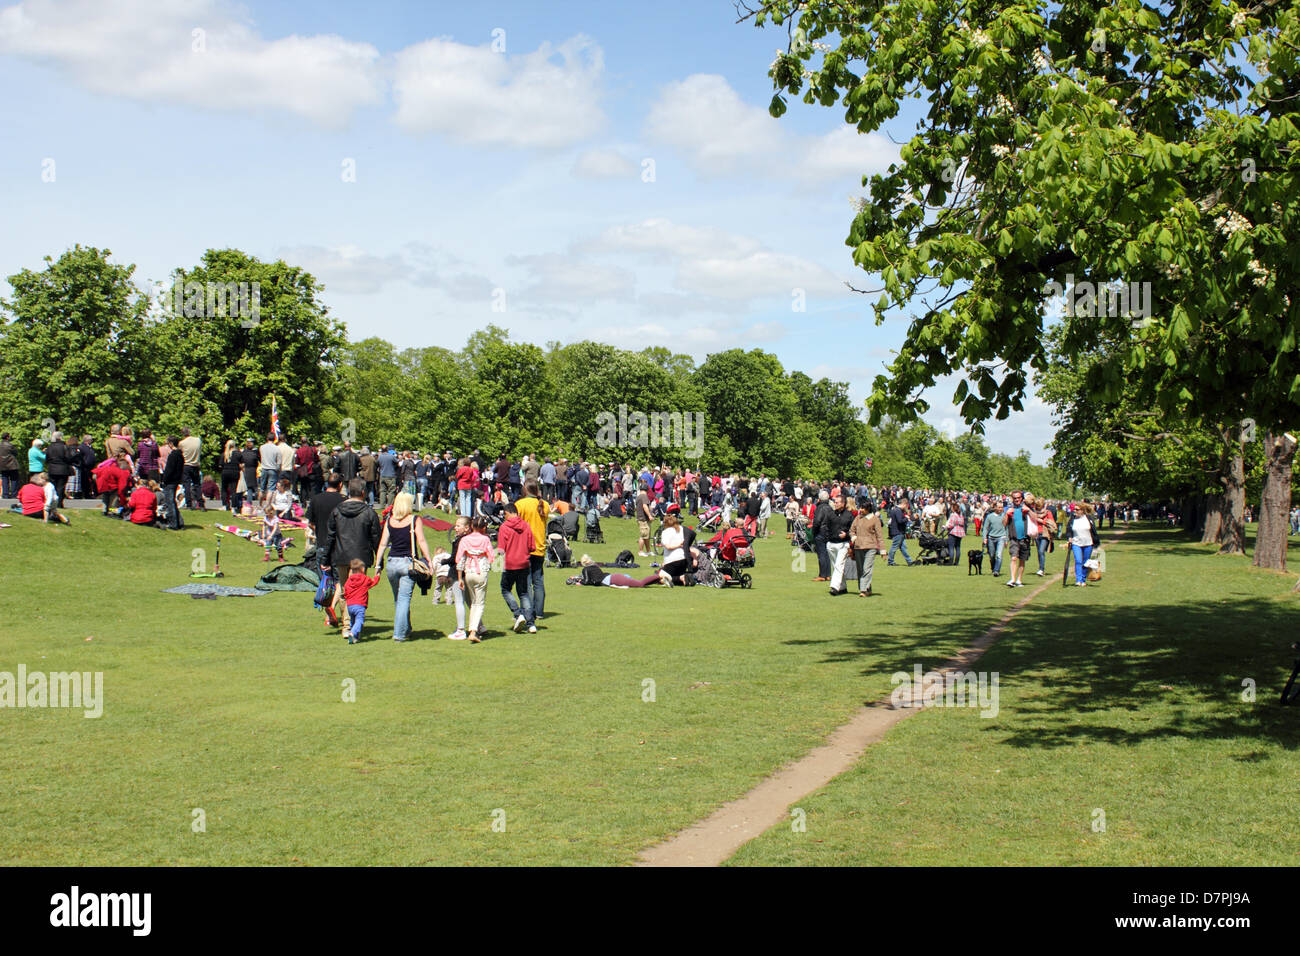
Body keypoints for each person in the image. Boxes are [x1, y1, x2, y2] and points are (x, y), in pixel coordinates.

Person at [375, 492, 434, 642]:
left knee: (398, 599)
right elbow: (421, 541)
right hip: (408, 563)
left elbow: (382, 544)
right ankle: (399, 634)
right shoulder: (414, 520)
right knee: (404, 599)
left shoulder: (390, 520)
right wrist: (429, 560)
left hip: (391, 563)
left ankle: (405, 628)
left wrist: (377, 564)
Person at [320, 478, 382, 581]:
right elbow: (376, 538)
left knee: (345, 590)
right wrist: (379, 561)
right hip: (361, 556)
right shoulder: (369, 513)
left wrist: (325, 559)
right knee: (357, 590)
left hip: (341, 555)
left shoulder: (337, 511)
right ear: (363, 492)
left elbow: (330, 536)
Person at [496, 502, 537, 633]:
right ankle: (531, 624)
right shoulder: (526, 525)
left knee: (505, 589)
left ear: (508, 512)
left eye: (504, 514)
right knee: (524, 593)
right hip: (524, 563)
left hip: (510, 564)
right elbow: (532, 547)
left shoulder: (504, 527)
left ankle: (518, 614)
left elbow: (501, 549)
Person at [456, 515, 496, 644]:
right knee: (479, 604)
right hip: (481, 572)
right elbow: (491, 557)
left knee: (473, 603)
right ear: (484, 527)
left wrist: (459, 578)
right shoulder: (485, 539)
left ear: (472, 526)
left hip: (468, 572)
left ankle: (473, 629)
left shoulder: (465, 540)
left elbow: (460, 559)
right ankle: (473, 631)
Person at [514, 480, 549, 624]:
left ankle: (527, 611)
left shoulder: (520, 504)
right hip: (539, 546)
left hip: (525, 547)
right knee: (538, 580)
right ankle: (539, 611)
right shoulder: (544, 505)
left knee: (525, 582)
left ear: (525, 489)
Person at [340, 558, 381, 644]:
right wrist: (377, 576)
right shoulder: (365, 579)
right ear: (362, 569)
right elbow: (373, 583)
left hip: (350, 605)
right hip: (360, 604)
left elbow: (345, 592)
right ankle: (353, 633)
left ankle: (355, 638)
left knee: (353, 621)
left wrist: (346, 597)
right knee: (359, 621)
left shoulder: (349, 580)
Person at [850, 500, 885, 596]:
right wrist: (853, 537)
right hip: (858, 547)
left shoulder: (875, 519)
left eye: (862, 508)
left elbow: (880, 536)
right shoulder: (858, 518)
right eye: (860, 508)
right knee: (860, 569)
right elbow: (852, 530)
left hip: (871, 547)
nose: (860, 510)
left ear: (868, 509)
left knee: (867, 569)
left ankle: (863, 590)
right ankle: (868, 589)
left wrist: (882, 551)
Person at [824, 493, 855, 595]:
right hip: (831, 544)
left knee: (838, 565)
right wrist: (827, 538)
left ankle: (834, 587)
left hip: (843, 544)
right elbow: (825, 526)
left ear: (843, 503)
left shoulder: (849, 515)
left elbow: (853, 530)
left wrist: (846, 535)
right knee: (836, 566)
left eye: (837, 502)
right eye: (835, 502)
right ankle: (843, 587)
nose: (835, 504)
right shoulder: (831, 514)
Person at [570, 554, 661, 587]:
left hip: (613, 579)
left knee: (640, 584)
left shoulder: (585, 569)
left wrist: (579, 583)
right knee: (639, 584)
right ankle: (659, 580)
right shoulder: (595, 566)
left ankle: (659, 576)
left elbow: (586, 581)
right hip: (614, 577)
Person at [1002, 490, 1032, 588]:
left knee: (1022, 560)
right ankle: (1012, 579)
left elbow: (1035, 518)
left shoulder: (1027, 508)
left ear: (1022, 498)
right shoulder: (1009, 509)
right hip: (1014, 538)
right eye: (1015, 498)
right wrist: (1007, 514)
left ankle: (1019, 579)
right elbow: (1004, 524)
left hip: (1025, 538)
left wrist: (1028, 511)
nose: (1017, 500)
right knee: (1014, 558)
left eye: (1019, 498)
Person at [1069, 502, 1099, 587]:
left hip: (1088, 543)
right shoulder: (1072, 519)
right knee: (1078, 561)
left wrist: (1096, 542)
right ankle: (1078, 580)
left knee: (1085, 562)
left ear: (1082, 510)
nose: (1075, 511)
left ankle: (1083, 579)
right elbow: (1068, 530)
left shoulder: (1088, 518)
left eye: (1077, 509)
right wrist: (1069, 537)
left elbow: (1093, 531)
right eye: (1074, 509)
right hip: (1076, 543)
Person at [159, 435, 184, 530]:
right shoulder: (180, 455)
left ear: (170, 444)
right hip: (176, 480)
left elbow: (169, 470)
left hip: (170, 481)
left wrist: (164, 480)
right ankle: (179, 522)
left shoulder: (173, 455)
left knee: (169, 502)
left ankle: (173, 523)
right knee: (172, 502)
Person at [659, 514, 689, 586]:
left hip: (672, 560)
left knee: (658, 576)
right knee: (675, 579)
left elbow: (668, 547)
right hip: (684, 559)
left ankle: (681, 578)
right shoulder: (681, 529)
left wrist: (678, 545)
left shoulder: (665, 532)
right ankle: (682, 578)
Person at [179, 427, 203, 510]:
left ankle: (189, 504)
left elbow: (180, 454)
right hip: (196, 464)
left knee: (187, 485)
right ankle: (201, 503)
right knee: (197, 485)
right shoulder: (198, 440)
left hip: (186, 465)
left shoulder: (182, 443)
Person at [983, 499, 1008, 576]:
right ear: (995, 508)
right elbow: (985, 528)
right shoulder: (989, 516)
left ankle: (997, 570)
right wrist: (984, 538)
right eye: (999, 507)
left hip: (1001, 537)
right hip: (991, 537)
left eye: (1002, 507)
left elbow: (1007, 528)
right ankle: (993, 568)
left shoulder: (1004, 516)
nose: (1001, 509)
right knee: (992, 555)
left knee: (999, 555)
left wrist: (1006, 539)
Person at [886, 497, 914, 566]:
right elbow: (900, 521)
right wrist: (906, 518)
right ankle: (890, 561)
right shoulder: (898, 511)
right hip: (898, 531)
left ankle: (909, 561)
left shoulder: (894, 509)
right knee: (894, 547)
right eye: (906, 506)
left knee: (903, 547)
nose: (906, 508)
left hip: (897, 531)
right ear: (904, 504)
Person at [257, 432, 280, 508]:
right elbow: (279, 462)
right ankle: (267, 505)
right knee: (271, 489)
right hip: (273, 469)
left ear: (267, 438)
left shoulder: (262, 447)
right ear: (274, 439)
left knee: (262, 488)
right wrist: (278, 470)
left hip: (264, 468)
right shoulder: (277, 448)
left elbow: (260, 457)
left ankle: (260, 504)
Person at [0, 433, 18, 500]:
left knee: (4, 479)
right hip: (12, 465)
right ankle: (14, 494)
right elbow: (16, 453)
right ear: (7, 437)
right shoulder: (10, 445)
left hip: (2, 465)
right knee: (14, 479)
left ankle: (5, 494)